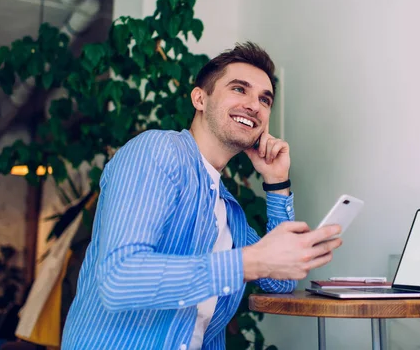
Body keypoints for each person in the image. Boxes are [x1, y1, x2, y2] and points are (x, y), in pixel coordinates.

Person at [61, 42, 342, 350]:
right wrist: (249, 262)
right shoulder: (158, 151)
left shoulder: (227, 209)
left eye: (265, 99)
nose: (254, 105)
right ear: (200, 98)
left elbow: (281, 280)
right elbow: (119, 278)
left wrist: (276, 182)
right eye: (239, 89)